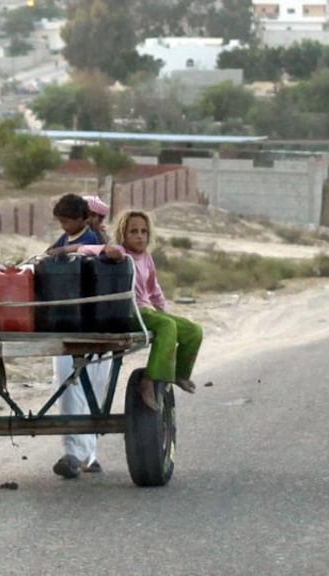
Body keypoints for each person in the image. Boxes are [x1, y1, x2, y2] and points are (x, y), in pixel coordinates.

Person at [75, 210, 202, 411]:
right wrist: (71, 248)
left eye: (143, 231)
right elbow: (88, 250)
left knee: (193, 330)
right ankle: (149, 381)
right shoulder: (120, 252)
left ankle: (180, 374)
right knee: (167, 326)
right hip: (128, 312)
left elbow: (154, 289)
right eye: (133, 231)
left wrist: (165, 310)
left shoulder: (146, 257)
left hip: (147, 312)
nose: (139, 235)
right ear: (124, 234)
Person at [45, 194, 109, 479]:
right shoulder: (65, 238)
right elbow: (55, 255)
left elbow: (92, 253)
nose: (64, 226)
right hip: (66, 320)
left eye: (68, 221)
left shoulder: (94, 239)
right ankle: (74, 453)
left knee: (93, 389)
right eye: (61, 222)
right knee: (68, 386)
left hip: (93, 322)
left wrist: (64, 253)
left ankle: (88, 453)